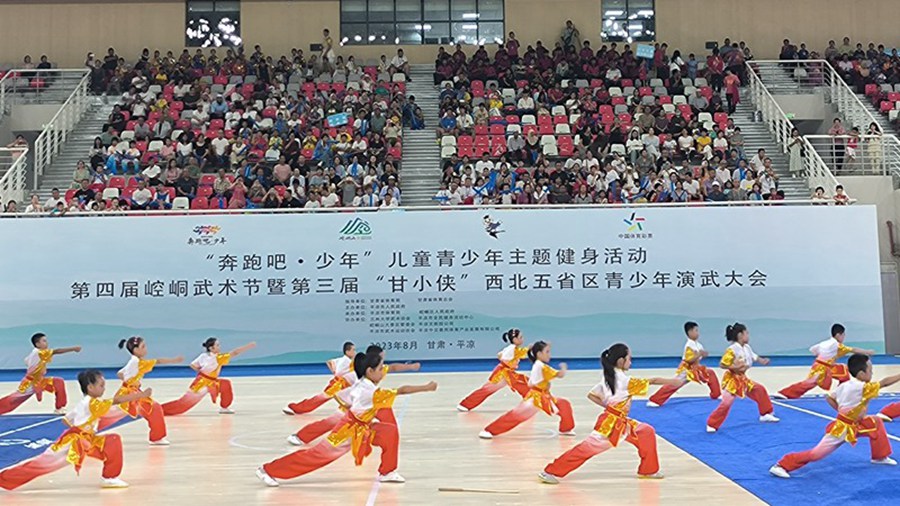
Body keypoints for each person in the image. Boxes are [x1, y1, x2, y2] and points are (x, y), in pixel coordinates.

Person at [256, 350, 438, 486]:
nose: (383, 371)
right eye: (380, 369)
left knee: (389, 432)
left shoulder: (365, 383)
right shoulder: (369, 391)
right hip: (347, 431)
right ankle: (268, 470)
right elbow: (402, 390)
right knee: (316, 456)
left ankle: (387, 471)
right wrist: (426, 387)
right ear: (370, 371)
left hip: (363, 428)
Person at [539, 343, 680, 484]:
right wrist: (673, 382)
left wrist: (610, 407)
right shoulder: (624, 381)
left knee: (645, 431)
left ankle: (648, 470)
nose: (631, 362)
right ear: (621, 361)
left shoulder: (608, 377)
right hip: (611, 425)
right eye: (629, 359)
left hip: (620, 421)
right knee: (586, 449)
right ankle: (550, 471)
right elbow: (653, 380)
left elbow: (592, 395)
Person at [0, 369, 150, 490]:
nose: (104, 389)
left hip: (86, 439)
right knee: (40, 465)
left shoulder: (86, 403)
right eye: (101, 385)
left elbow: (66, 420)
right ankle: (3, 479)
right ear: (90, 387)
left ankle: (110, 477)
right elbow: (116, 400)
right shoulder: (92, 403)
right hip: (75, 443)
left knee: (112, 441)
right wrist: (141, 395)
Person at [770, 354, 900, 478]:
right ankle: (782, 465)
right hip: (842, 429)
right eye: (870, 371)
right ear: (861, 374)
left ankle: (879, 456)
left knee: (875, 421)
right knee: (816, 454)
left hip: (854, 423)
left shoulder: (845, 385)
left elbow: (830, 398)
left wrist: (843, 411)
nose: (872, 374)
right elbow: (884, 383)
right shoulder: (862, 388)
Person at [287, 345, 419, 446]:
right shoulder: (356, 372)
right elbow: (341, 384)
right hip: (354, 404)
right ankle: (300, 436)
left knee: (385, 413)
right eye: (381, 358)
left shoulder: (379, 369)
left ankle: (388, 436)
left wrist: (411, 367)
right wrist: (342, 400)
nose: (383, 361)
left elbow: (393, 368)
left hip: (371, 402)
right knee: (330, 422)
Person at [478, 341, 575, 439]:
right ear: (539, 354)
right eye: (547, 352)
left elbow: (531, 383)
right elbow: (559, 374)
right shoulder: (541, 366)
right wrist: (563, 368)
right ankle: (489, 430)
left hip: (544, 396)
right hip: (535, 399)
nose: (549, 354)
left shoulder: (539, 365)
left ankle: (565, 429)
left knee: (563, 404)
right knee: (515, 416)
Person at [96, 336, 183, 445]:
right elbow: (158, 361)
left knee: (117, 414)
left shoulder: (134, 361)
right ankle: (156, 438)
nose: (146, 349)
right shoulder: (137, 362)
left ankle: (157, 437)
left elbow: (120, 373)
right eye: (143, 346)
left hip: (130, 391)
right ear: (136, 350)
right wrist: (174, 360)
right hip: (131, 393)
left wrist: (129, 380)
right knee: (153, 409)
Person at [705, 323, 779, 432]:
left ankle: (765, 414)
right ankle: (712, 424)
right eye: (746, 333)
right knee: (726, 403)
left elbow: (754, 357)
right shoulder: (732, 349)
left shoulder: (747, 348)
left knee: (759, 389)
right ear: (740, 335)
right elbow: (722, 364)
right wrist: (735, 367)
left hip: (743, 378)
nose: (748, 336)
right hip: (732, 380)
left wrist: (762, 360)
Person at [161, 338, 256, 415]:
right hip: (203, 385)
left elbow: (192, 365)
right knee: (182, 405)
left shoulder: (203, 356)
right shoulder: (218, 358)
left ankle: (224, 407)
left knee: (225, 384)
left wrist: (202, 373)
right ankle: (159, 410)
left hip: (205, 380)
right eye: (217, 345)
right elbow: (235, 352)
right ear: (211, 348)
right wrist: (248, 346)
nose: (219, 347)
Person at [778, 324, 875, 399]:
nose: (844, 337)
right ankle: (784, 393)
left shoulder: (825, 343)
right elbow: (853, 350)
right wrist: (867, 352)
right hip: (822, 367)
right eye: (843, 335)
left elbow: (813, 350)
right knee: (809, 383)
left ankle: (841, 394)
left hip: (825, 366)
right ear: (838, 335)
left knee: (843, 371)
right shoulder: (836, 345)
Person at [0, 333, 81, 415]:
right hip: (30, 383)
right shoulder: (39, 353)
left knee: (58, 382)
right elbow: (57, 351)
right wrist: (73, 348)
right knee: (14, 400)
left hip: (40, 381)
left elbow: (26, 360)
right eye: (44, 341)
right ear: (37, 344)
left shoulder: (36, 353)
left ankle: (59, 408)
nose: (47, 343)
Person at [647, 322, 721, 407]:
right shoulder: (689, 345)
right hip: (687, 369)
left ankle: (716, 394)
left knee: (710, 373)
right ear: (690, 332)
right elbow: (689, 360)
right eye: (696, 330)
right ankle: (655, 400)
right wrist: (699, 355)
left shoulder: (699, 345)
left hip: (696, 368)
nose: (698, 333)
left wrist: (703, 355)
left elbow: (698, 357)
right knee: (675, 384)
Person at [457, 328, 531, 412]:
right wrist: (529, 349)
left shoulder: (511, 348)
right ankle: (465, 404)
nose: (522, 339)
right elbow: (517, 354)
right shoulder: (512, 348)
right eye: (520, 337)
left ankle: (531, 401)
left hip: (506, 372)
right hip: (502, 374)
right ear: (515, 339)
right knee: (487, 390)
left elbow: (500, 355)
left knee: (522, 383)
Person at [283, 342, 358, 415]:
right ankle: (295, 408)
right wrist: (338, 375)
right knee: (319, 399)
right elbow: (339, 372)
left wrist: (334, 372)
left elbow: (329, 362)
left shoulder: (344, 359)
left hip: (340, 384)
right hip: (338, 386)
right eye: (353, 350)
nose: (355, 352)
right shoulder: (346, 361)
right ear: (347, 352)